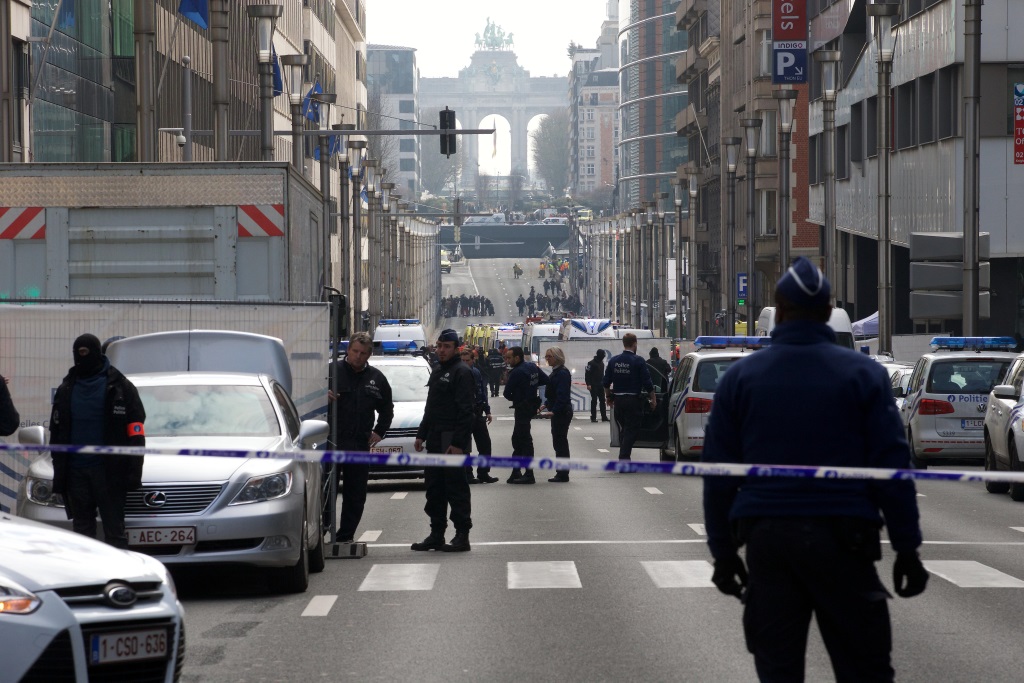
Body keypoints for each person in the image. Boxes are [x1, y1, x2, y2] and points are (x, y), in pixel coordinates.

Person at [701, 257, 928, 682]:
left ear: (779, 310)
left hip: (770, 541)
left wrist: (723, 553)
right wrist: (907, 548)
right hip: (845, 542)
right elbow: (892, 469)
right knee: (865, 668)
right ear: (827, 313)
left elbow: (718, 475)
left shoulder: (740, 378)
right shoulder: (864, 375)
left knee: (779, 670)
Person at [50, 334, 146, 548]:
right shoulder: (66, 389)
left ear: (96, 353)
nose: (80, 357)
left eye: (85, 352)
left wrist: (134, 471)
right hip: (76, 474)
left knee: (115, 532)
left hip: (109, 473)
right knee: (82, 534)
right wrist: (60, 474)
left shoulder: (121, 387)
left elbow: (136, 432)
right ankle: (87, 577)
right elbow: (56, 433)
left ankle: (118, 577)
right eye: (78, 353)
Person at [412, 329, 476, 552]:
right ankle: (436, 533)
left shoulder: (462, 372)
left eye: (446, 346)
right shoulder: (438, 370)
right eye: (439, 346)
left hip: (453, 438)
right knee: (434, 488)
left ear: (456, 347)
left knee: (456, 488)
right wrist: (421, 434)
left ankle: (462, 535)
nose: (441, 350)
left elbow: (466, 411)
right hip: (436, 437)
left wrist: (458, 443)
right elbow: (431, 408)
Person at [327, 332, 394, 543]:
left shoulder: (376, 378)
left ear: (369, 356)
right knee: (325, 492)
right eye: (355, 351)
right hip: (331, 442)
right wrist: (322, 396)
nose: (358, 356)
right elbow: (306, 400)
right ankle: (320, 533)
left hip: (358, 443)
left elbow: (387, 409)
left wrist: (379, 431)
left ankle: (345, 536)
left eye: (363, 353)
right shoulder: (330, 372)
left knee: (355, 494)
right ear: (348, 351)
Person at [603, 332, 655, 464]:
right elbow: (647, 382)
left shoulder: (614, 361)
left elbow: (606, 382)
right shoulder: (638, 361)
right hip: (633, 401)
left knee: (624, 428)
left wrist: (608, 396)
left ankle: (624, 455)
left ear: (624, 344)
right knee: (631, 429)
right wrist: (653, 399)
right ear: (635, 344)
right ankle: (624, 459)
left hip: (618, 401)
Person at [503, 346, 548, 484]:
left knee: (524, 440)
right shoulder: (532, 367)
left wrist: (518, 396)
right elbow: (544, 380)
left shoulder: (517, 372)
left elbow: (506, 393)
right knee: (518, 438)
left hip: (522, 407)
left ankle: (529, 473)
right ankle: (516, 471)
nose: (507, 360)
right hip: (531, 406)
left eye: (509, 358)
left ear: (517, 357)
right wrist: (531, 389)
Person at [461, 349, 499, 484]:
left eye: (468, 360)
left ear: (473, 360)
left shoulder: (476, 373)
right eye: (463, 361)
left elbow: (482, 392)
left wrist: (487, 411)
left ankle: (483, 473)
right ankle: (468, 474)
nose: (465, 363)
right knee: (465, 447)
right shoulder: (458, 374)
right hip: (464, 415)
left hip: (478, 412)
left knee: (485, 445)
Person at [539, 347, 572, 483]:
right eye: (546, 356)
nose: (547, 359)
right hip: (558, 410)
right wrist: (546, 404)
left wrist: (554, 410)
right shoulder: (556, 372)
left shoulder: (562, 373)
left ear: (557, 357)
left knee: (560, 443)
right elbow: (554, 394)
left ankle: (563, 473)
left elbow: (562, 396)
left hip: (562, 412)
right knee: (558, 442)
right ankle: (561, 471)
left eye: (549, 356)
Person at [584, 349, 608, 423]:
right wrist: (588, 384)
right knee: (594, 401)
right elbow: (587, 374)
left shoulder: (602, 363)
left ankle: (604, 416)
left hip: (600, 385)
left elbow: (602, 374)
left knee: (602, 401)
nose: (604, 356)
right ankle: (593, 417)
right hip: (593, 385)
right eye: (603, 354)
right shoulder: (591, 363)